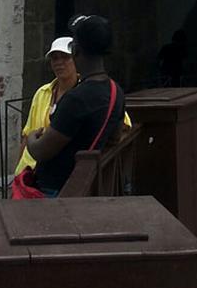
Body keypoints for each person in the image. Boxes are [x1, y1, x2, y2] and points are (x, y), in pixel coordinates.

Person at [23, 15, 126, 196]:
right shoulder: (116, 91)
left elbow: (41, 151)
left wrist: (33, 138)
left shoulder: (76, 99)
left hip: (58, 187)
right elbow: (115, 138)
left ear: (76, 51)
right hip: (89, 182)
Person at [15, 36, 78, 176]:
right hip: (29, 170)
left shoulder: (85, 92)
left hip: (60, 172)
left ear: (76, 59)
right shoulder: (42, 93)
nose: (59, 63)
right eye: (54, 58)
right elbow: (27, 135)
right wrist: (17, 173)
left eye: (65, 57)